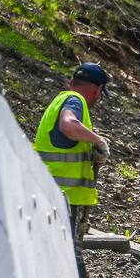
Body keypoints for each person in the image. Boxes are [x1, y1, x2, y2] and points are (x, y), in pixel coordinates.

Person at [34, 62, 111, 240]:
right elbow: (68, 125)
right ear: (98, 90)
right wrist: (98, 141)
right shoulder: (75, 101)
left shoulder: (57, 102)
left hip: (45, 192)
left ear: (71, 83)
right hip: (63, 199)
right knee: (68, 260)